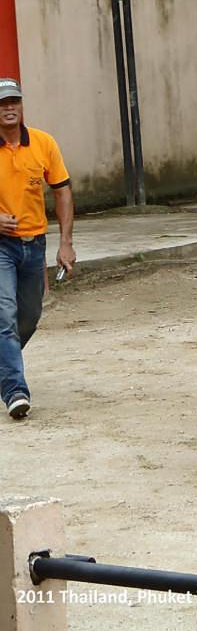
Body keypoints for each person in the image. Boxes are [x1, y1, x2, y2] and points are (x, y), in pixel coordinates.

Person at [0, 77, 75, 420]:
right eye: (2, 104)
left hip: (35, 246)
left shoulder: (43, 143)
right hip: (1, 246)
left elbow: (62, 190)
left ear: (21, 105)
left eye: (13, 101)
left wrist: (65, 243)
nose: (9, 108)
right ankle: (16, 390)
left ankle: (5, 367)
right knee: (4, 315)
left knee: (28, 317)